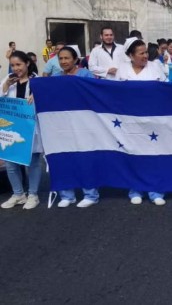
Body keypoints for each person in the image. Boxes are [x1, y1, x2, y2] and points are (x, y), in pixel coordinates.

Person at [116, 38, 167, 205]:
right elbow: (115, 94)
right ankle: (135, 189)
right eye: (141, 53)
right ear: (131, 55)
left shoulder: (156, 67)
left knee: (154, 155)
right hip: (130, 120)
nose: (145, 55)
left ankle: (156, 190)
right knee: (133, 154)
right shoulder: (122, 70)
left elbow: (166, 89)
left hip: (153, 119)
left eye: (146, 52)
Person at [51, 46, 99, 207]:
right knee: (64, 156)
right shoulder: (56, 77)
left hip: (83, 122)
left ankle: (91, 195)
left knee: (84, 157)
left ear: (75, 59)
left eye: (67, 58)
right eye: (61, 58)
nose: (63, 61)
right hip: (63, 124)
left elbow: (93, 94)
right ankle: (67, 195)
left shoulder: (85, 74)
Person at [0, 51, 43, 210]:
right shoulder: (9, 80)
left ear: (27, 63)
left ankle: (33, 194)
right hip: (13, 128)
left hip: (31, 128)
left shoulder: (37, 81)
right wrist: (5, 87)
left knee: (33, 162)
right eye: (12, 65)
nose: (16, 68)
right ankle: (18, 194)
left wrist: (38, 95)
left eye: (19, 64)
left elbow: (47, 101)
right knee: (11, 163)